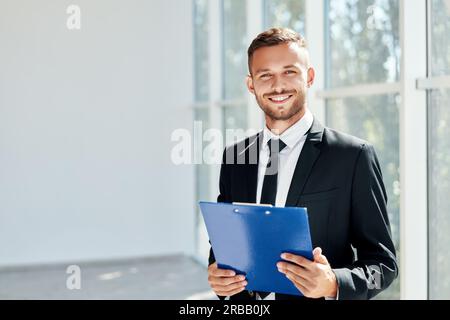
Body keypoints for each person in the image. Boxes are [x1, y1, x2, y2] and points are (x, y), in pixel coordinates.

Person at [206, 28, 398, 300]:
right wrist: (218, 273)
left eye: (289, 72)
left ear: (309, 77)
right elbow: (225, 242)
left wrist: (333, 283)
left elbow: (384, 265)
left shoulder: (353, 156)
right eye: (266, 75)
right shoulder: (235, 157)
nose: (278, 85)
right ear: (251, 85)